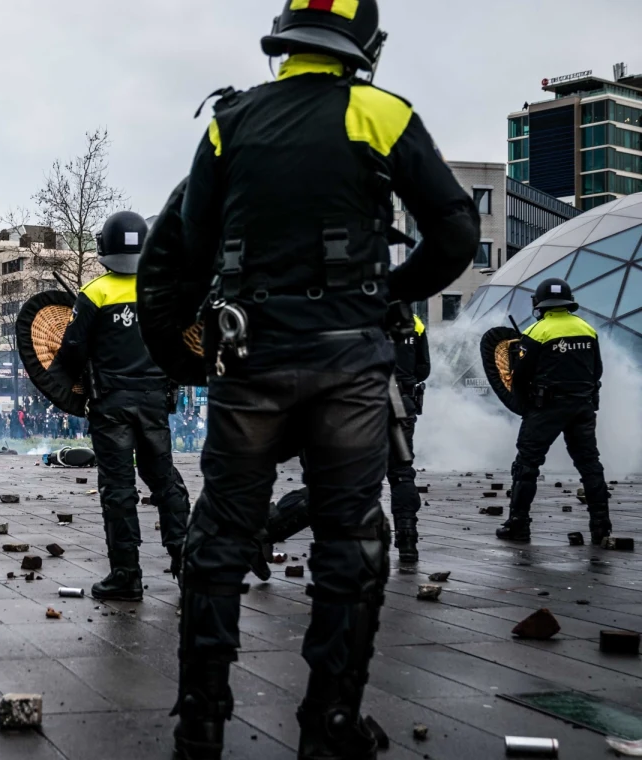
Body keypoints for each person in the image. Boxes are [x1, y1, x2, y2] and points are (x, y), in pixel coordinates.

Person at [170, 1, 481, 757]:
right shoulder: (381, 114)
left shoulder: (229, 122)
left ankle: (202, 723)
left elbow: (188, 240)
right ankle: (330, 721)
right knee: (350, 540)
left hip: (252, 362)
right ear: (363, 42)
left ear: (285, 37)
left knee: (217, 538)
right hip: (349, 367)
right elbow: (457, 232)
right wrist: (389, 289)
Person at [52, 211, 192, 602]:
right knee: (166, 483)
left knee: (118, 489)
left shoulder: (95, 293)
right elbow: (180, 346)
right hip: (153, 404)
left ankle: (126, 575)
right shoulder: (161, 290)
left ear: (104, 249)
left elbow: (72, 352)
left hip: (111, 406)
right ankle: (186, 562)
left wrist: (69, 382)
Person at [497, 278, 610, 544]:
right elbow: (598, 370)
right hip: (582, 407)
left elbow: (520, 376)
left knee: (526, 465)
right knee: (590, 465)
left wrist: (523, 405)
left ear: (540, 304)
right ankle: (601, 527)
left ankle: (518, 526)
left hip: (546, 408)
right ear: (569, 303)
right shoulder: (587, 329)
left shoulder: (537, 332)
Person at [389, 312, 429, 562]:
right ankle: (408, 542)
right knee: (402, 472)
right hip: (400, 401)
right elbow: (423, 368)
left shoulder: (353, 310)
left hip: (359, 402)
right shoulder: (415, 322)